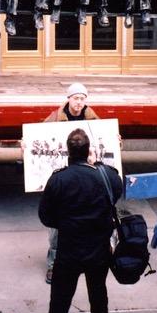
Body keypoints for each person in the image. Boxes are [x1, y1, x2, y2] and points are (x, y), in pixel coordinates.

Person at [39, 128, 123, 313]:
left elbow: (45, 217)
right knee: (98, 295)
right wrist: (98, 164)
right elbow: (116, 192)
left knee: (59, 301)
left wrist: (66, 222)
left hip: (69, 251)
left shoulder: (58, 179)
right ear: (89, 152)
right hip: (99, 251)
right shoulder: (107, 177)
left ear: (68, 151)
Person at [43, 83, 99, 285]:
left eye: (83, 98)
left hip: (85, 180)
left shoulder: (93, 118)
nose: (79, 102)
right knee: (58, 230)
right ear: (68, 99)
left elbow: (107, 140)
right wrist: (24, 144)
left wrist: (118, 141)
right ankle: (53, 265)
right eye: (76, 98)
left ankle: (83, 261)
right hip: (65, 179)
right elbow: (37, 137)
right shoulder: (56, 117)